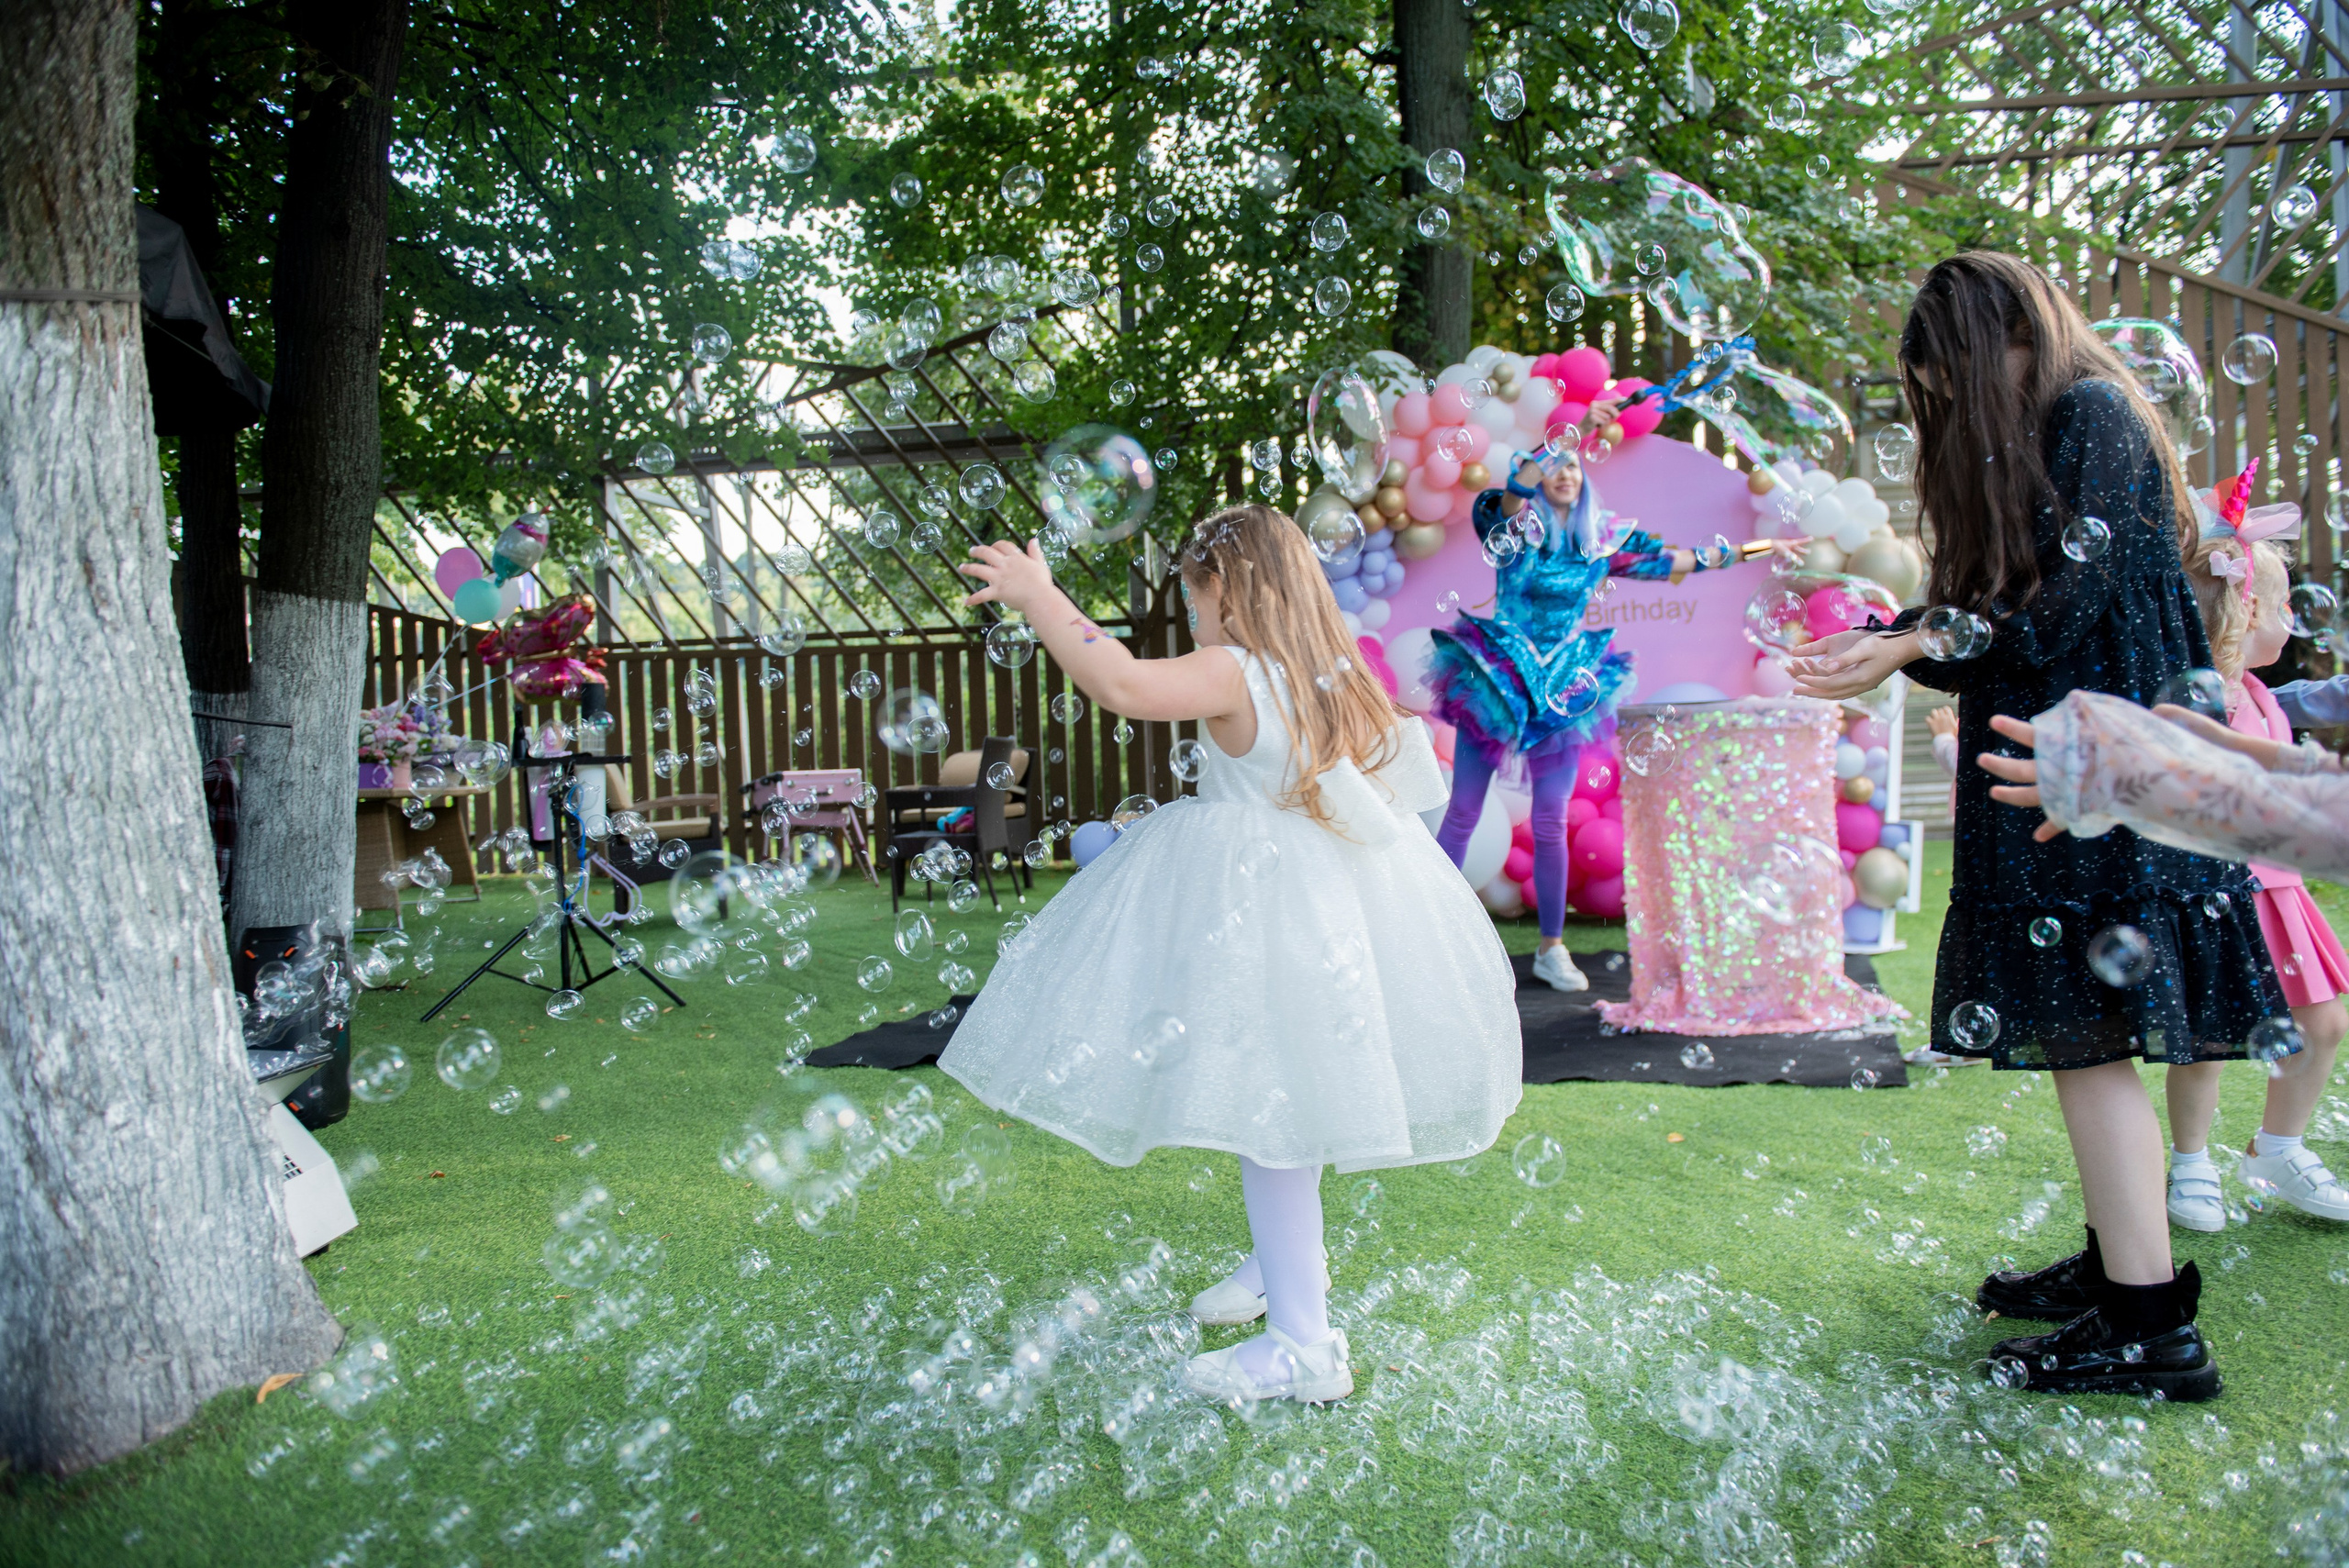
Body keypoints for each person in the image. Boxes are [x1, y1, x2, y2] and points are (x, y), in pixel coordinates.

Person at [1788, 250, 2284, 1402]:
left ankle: (2150, 1325)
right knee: (2083, 1033)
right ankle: (2120, 1267)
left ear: (2013, 339)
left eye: (1964, 381)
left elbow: (2060, 608)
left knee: (2088, 1042)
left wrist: (1915, 639)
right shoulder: (2052, 426)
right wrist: (1898, 634)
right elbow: (2000, 615)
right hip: (2062, 761)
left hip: (2095, 767)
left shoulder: (2094, 409)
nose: (1962, 409)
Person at [939, 504, 1523, 1404]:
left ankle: (1304, 1346)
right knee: (1296, 1090)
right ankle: (1278, 1266)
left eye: (1195, 598)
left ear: (1232, 590)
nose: (1193, 618)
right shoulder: (1333, 678)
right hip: (1328, 914)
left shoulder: (1236, 668)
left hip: (1265, 914)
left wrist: (1039, 593)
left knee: (1272, 1108)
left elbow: (1122, 681)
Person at [1429, 443, 1796, 990]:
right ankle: (1428, 936)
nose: (1564, 473)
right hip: (1497, 675)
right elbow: (1514, 493)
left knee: (1551, 821)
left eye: (1573, 465)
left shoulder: (1602, 540)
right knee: (1462, 811)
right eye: (1553, 465)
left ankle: (1551, 949)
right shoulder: (1511, 524)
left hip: (1562, 683)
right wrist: (1557, 446)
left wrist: (1762, 547)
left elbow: (1682, 561)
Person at [2157, 527, 2349, 1229]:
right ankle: (2191, 1161)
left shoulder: (2266, 694)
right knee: (2209, 1040)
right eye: (2284, 604)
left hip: (2280, 888)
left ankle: (2278, 1147)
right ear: (2246, 612)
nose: (2294, 618)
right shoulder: (2201, 701)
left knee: (2324, 1021)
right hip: (2220, 892)